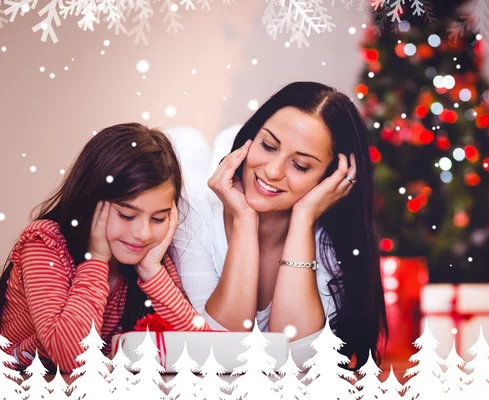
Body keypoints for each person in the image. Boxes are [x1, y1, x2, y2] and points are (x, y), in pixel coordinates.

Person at [172, 82, 387, 369]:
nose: (272, 171)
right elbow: (220, 353)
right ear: (250, 138)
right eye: (268, 146)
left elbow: (299, 363)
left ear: (331, 177)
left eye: (300, 166)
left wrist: (303, 220)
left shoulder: (332, 239)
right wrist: (245, 221)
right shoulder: (192, 212)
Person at [0, 123, 210, 373]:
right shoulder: (45, 243)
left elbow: (204, 351)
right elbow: (73, 358)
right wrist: (97, 259)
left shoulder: (149, 259)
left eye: (158, 219)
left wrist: (152, 272)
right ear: (90, 201)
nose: (143, 234)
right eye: (127, 215)